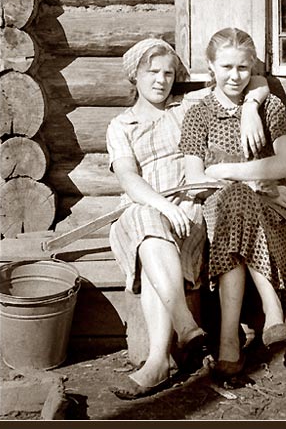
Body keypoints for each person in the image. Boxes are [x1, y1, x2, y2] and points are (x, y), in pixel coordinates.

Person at [106, 37, 269, 400]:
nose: (162, 81)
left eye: (168, 73)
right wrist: (163, 207)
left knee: (154, 249)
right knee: (145, 221)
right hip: (143, 210)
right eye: (152, 73)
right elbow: (129, 180)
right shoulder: (121, 125)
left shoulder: (186, 109)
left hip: (189, 212)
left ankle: (159, 361)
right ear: (135, 75)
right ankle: (184, 322)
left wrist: (250, 109)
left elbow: (251, 81)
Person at [180, 28, 286, 382]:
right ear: (211, 67)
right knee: (236, 200)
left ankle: (228, 342)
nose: (235, 76)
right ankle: (272, 308)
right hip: (222, 209)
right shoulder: (199, 113)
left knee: (239, 202)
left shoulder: (270, 106)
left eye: (244, 68)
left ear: (253, 69)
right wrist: (254, 182)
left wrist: (229, 170)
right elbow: (195, 179)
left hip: (271, 212)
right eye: (227, 67)